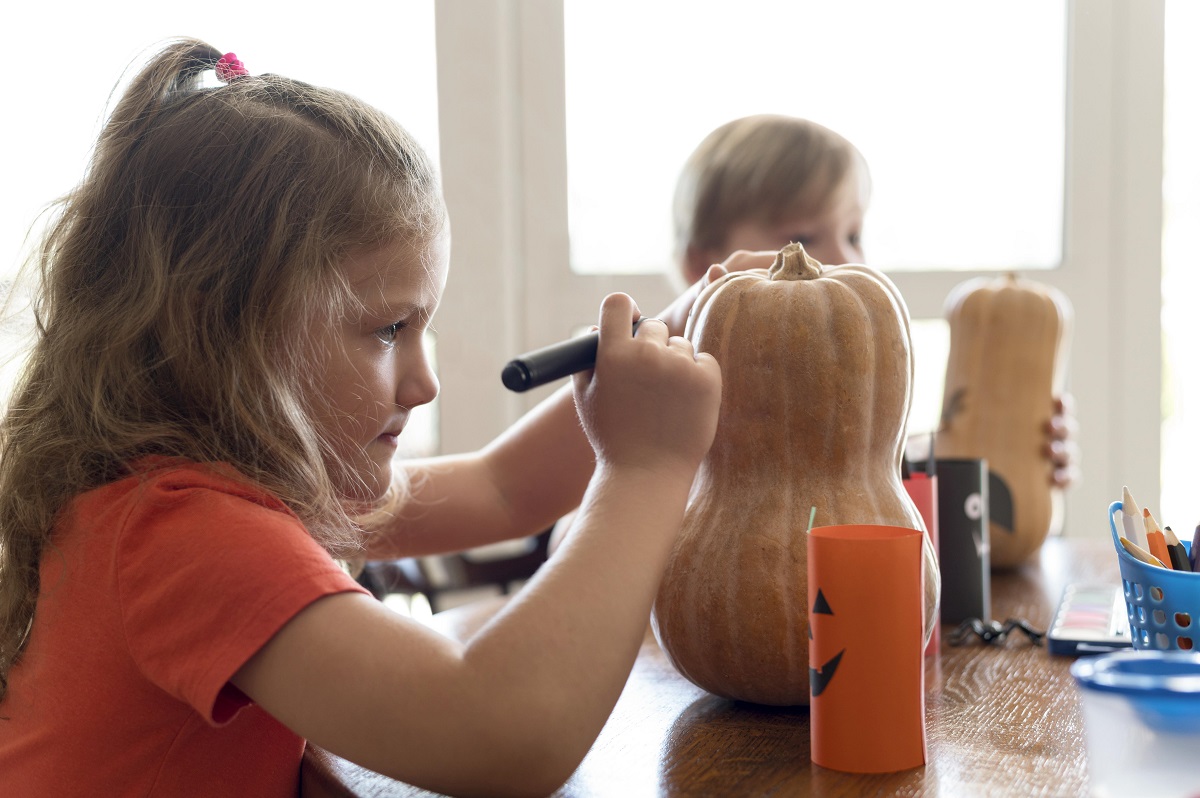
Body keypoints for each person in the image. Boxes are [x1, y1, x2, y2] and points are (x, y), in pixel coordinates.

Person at [0, 39, 762, 797]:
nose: (423, 382)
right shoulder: (180, 535)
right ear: (223, 332)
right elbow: (501, 729)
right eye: (388, 330)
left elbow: (505, 490)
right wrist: (648, 467)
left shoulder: (218, 491)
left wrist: (681, 328)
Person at [671, 114, 1079, 485]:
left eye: (853, 235)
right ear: (702, 263)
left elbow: (875, 480)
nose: (844, 259)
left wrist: (1004, 459)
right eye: (803, 238)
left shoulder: (852, 387)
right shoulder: (668, 400)